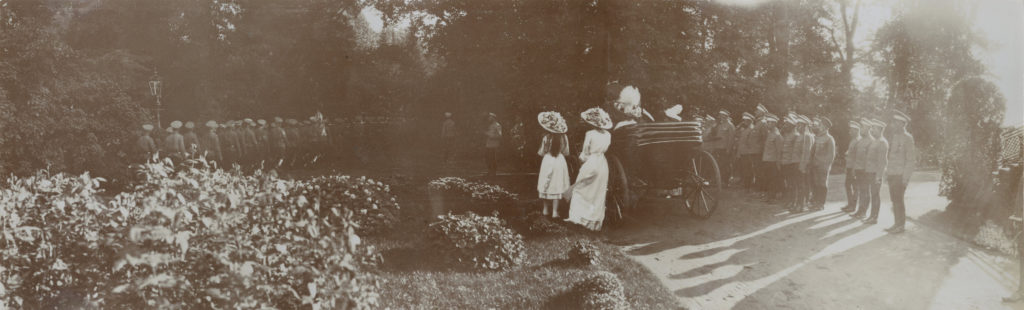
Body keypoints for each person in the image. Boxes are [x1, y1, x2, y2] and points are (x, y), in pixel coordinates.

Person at [566, 107, 612, 231]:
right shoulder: (608, 134)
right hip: (602, 163)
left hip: (591, 162)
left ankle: (579, 219)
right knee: (598, 193)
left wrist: (581, 159)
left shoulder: (590, 134)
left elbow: (585, 152)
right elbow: (606, 149)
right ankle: (594, 224)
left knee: (580, 189)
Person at [885, 111, 916, 233]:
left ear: (903, 124)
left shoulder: (908, 138)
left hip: (900, 175)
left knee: (898, 200)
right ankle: (896, 224)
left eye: (897, 123)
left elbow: (910, 160)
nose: (894, 125)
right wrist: (887, 173)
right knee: (894, 200)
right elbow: (892, 157)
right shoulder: (895, 137)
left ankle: (900, 225)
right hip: (892, 174)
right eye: (894, 122)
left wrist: (905, 178)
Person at [536, 111, 570, 219]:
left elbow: (542, 152)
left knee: (546, 183)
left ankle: (545, 209)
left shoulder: (546, 138)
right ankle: (555, 212)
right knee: (557, 184)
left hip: (548, 160)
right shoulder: (564, 137)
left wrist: (545, 152)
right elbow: (566, 152)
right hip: (559, 161)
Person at [861, 120, 889, 224]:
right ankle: (871, 216)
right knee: (872, 194)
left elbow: (882, 162)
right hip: (870, 171)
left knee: (875, 194)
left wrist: (879, 176)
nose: (872, 131)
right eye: (872, 128)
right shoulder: (875, 141)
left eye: (875, 129)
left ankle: (874, 217)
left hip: (876, 173)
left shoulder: (882, 142)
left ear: (880, 130)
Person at [809, 117, 836, 211]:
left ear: (825, 127)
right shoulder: (817, 137)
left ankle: (821, 203)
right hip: (815, 165)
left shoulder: (830, 139)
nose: (819, 127)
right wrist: (811, 162)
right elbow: (813, 151)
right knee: (815, 184)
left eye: (820, 125)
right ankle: (815, 202)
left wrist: (826, 166)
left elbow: (831, 155)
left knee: (822, 184)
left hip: (823, 166)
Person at [852, 119, 876, 219]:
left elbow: (871, 158)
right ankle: (860, 210)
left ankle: (863, 212)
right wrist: (854, 168)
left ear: (867, 128)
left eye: (862, 127)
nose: (861, 129)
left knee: (865, 191)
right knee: (861, 191)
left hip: (866, 170)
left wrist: (867, 170)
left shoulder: (872, 141)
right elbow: (856, 156)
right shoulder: (861, 140)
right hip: (858, 169)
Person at [780, 116, 801, 210]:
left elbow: (796, 151)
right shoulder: (787, 134)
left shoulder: (796, 135)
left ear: (792, 125)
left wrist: (793, 162)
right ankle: (789, 201)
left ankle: (794, 201)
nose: (785, 126)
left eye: (787, 124)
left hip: (791, 163)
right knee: (788, 183)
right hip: (785, 161)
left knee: (793, 183)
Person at [842, 121, 863, 213]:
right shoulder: (853, 140)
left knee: (855, 187)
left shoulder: (859, 141)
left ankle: (853, 206)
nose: (849, 131)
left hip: (855, 167)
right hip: (850, 166)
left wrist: (854, 169)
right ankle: (850, 203)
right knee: (847, 185)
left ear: (856, 130)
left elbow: (858, 156)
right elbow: (850, 153)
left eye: (851, 130)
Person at [761, 115, 783, 203]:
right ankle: (769, 196)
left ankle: (772, 197)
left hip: (773, 161)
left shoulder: (777, 135)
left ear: (774, 124)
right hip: (767, 160)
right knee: (768, 179)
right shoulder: (770, 133)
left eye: (769, 123)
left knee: (773, 180)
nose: (767, 124)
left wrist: (778, 163)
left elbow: (779, 151)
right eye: (767, 122)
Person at [711, 110, 736, 183]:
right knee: (719, 165)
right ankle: (720, 180)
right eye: (720, 116)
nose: (721, 117)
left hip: (725, 148)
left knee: (726, 165)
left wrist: (728, 149)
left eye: (722, 116)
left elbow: (731, 138)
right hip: (718, 148)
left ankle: (726, 181)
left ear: (726, 116)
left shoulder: (730, 125)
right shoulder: (720, 125)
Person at [736, 112, 758, 190]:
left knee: (748, 170)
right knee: (745, 169)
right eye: (744, 120)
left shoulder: (752, 129)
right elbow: (740, 140)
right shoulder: (745, 129)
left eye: (746, 120)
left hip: (748, 153)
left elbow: (751, 142)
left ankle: (748, 186)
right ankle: (746, 185)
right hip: (743, 152)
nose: (744, 122)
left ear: (750, 121)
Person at [797, 115, 815, 211]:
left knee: (803, 184)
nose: (798, 127)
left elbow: (806, 153)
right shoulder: (803, 136)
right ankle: (802, 204)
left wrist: (803, 166)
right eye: (798, 125)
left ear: (805, 126)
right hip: (801, 164)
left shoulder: (807, 136)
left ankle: (803, 205)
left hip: (805, 165)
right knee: (803, 184)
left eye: (800, 125)